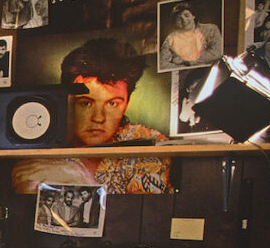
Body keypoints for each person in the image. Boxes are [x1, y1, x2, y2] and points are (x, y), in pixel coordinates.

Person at [11, 37, 170, 194]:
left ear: (127, 104)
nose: (98, 118)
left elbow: (141, 215)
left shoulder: (151, 145)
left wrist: (77, 177)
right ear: (67, 101)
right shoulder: (40, 145)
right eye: (86, 103)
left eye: (112, 103)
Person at [159, 2, 223, 69]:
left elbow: (217, 52)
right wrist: (182, 66)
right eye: (178, 18)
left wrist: (187, 61)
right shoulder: (170, 39)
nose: (184, 20)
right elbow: (162, 64)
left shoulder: (211, 29)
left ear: (193, 16)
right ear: (175, 23)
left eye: (186, 15)